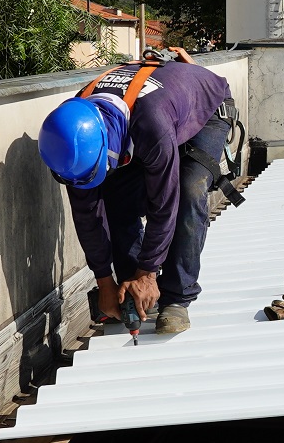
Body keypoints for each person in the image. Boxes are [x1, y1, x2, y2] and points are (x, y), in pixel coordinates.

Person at [38, 48, 239, 334]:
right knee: (116, 196)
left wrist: (148, 273)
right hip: (153, 112)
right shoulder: (74, 133)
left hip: (205, 109)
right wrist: (104, 282)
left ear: (109, 146)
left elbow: (165, 204)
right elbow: (88, 215)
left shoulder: (151, 126)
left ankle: (176, 298)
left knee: (188, 188)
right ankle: (130, 292)